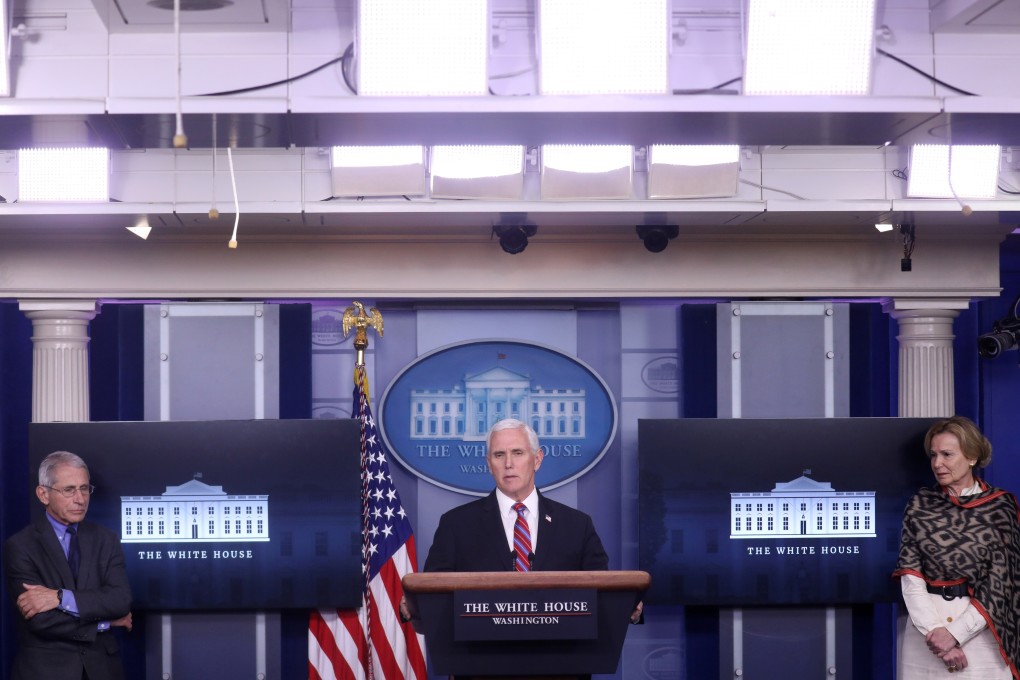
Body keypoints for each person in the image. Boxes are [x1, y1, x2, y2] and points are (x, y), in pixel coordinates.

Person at [893, 416, 1020, 678]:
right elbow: (910, 576)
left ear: (972, 457)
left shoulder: (1001, 508)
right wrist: (936, 635)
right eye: (933, 455)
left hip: (982, 634)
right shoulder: (920, 504)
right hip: (924, 635)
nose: (937, 464)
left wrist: (955, 634)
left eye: (947, 455)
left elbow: (1001, 583)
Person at [3, 451, 133, 680]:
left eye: (84, 488)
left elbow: (120, 600)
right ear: (43, 494)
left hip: (103, 670)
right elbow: (41, 621)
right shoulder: (20, 546)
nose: (80, 499)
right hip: (45, 672)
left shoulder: (106, 539)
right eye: (69, 490)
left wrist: (60, 598)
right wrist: (104, 622)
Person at [423, 418, 609, 573]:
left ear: (537, 460)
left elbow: (604, 593)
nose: (508, 463)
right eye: (499, 455)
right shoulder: (456, 525)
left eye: (518, 453)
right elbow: (432, 596)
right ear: (489, 464)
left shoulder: (576, 526)